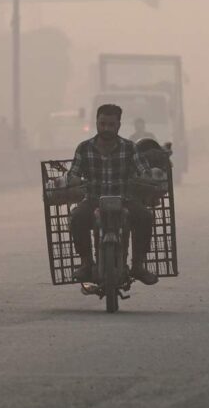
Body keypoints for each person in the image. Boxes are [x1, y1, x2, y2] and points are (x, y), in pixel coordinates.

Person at [67, 104, 159, 285]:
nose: (106, 129)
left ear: (118, 125)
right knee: (77, 217)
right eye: (103, 124)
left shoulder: (130, 148)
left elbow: (143, 170)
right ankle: (86, 263)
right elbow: (74, 174)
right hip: (93, 200)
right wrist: (73, 181)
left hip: (125, 200)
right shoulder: (84, 148)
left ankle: (138, 265)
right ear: (96, 123)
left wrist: (148, 178)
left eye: (111, 124)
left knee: (146, 217)